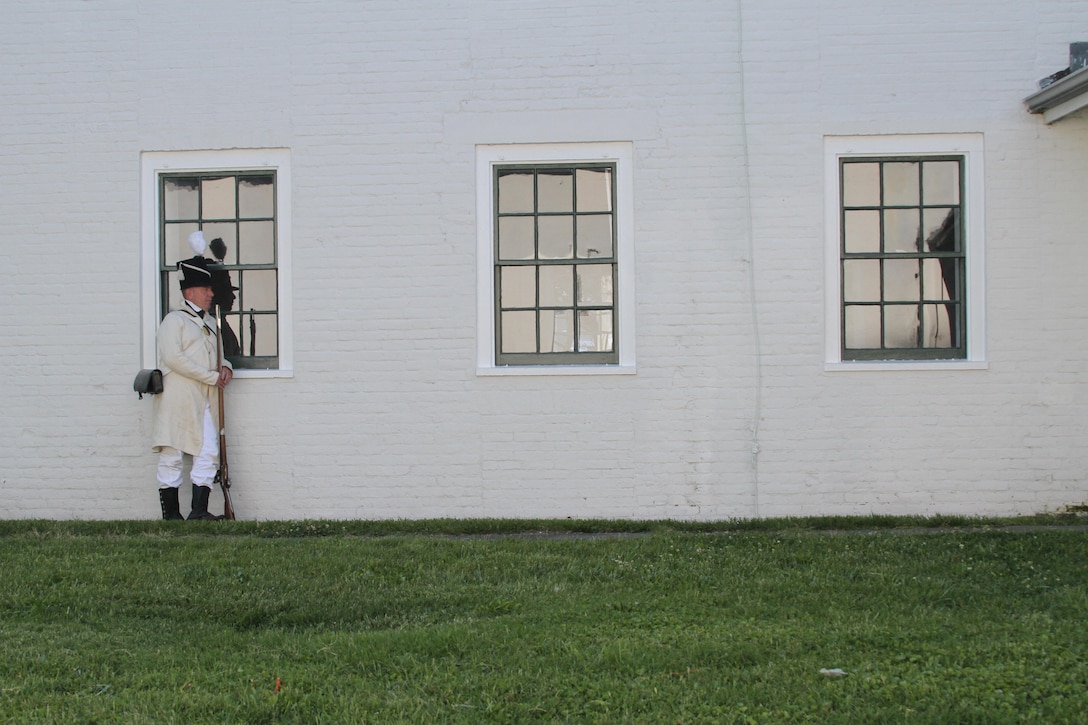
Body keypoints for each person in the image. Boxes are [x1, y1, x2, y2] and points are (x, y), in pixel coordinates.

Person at [151, 252, 233, 520]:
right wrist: (210, 377)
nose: (211, 293)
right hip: (178, 396)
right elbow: (174, 358)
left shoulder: (209, 323)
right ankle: (172, 516)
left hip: (205, 398)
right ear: (190, 290)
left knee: (208, 450)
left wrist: (226, 367)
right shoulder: (174, 321)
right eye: (206, 288)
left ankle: (199, 512)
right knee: (172, 453)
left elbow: (219, 355)